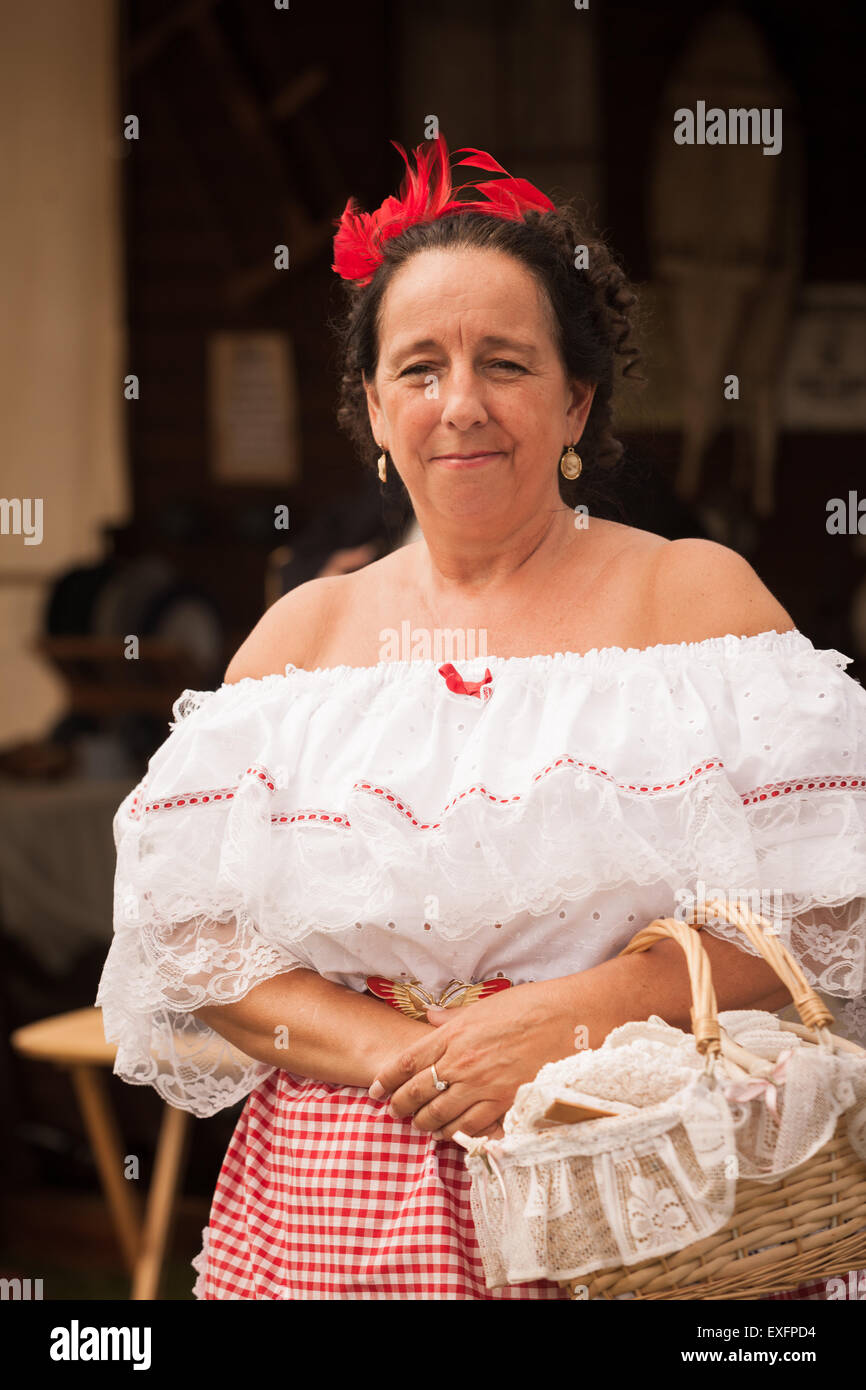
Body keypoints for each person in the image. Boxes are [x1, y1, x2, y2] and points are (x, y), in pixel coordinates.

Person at [97, 132, 866, 1300]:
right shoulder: (301, 638)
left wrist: (578, 1018)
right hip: (340, 1200)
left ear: (576, 402)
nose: (458, 404)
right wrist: (415, 1057)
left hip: (628, 1176)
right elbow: (192, 939)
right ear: (372, 407)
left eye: (503, 363)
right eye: (418, 367)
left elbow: (821, 897)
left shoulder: (690, 598)